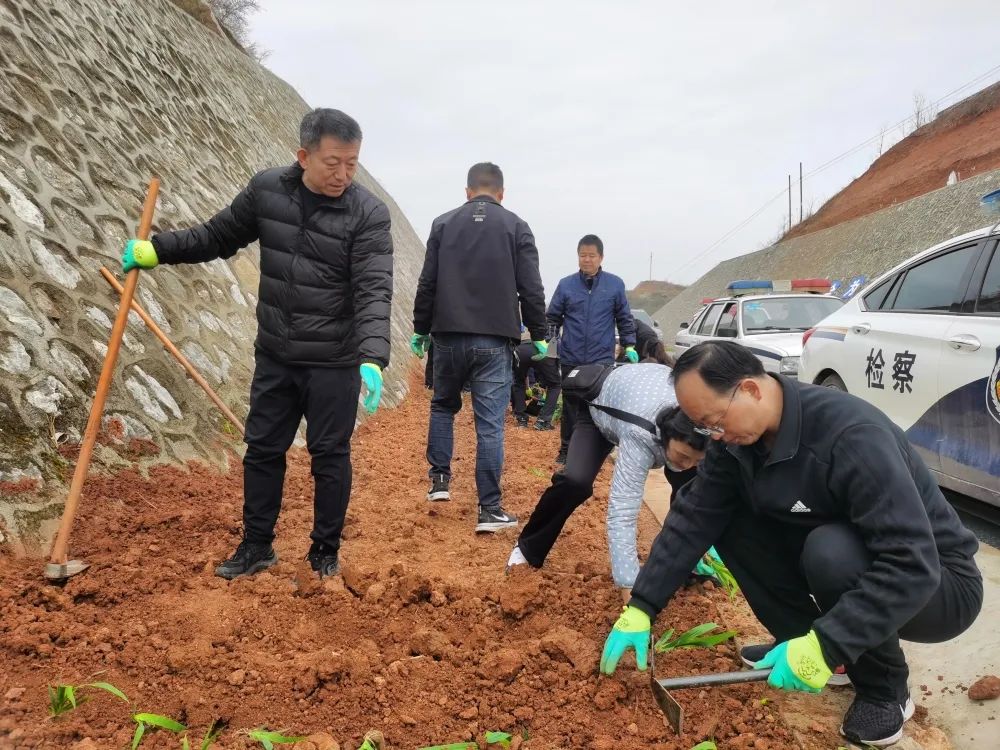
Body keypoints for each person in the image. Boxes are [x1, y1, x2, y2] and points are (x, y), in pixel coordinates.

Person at [599, 340, 983, 748]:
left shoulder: (851, 435)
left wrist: (828, 644)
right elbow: (695, 515)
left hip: (938, 583)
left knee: (830, 551)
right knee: (730, 520)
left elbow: (911, 562)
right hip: (858, 557)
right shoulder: (736, 441)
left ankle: (884, 690)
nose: (716, 436)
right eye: (706, 428)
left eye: (715, 421)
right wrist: (642, 605)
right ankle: (805, 643)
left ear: (750, 390)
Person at [120, 108, 392, 580]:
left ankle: (324, 552)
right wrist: (158, 250)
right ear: (304, 156)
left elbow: (374, 287)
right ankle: (257, 546)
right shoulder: (268, 191)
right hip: (276, 354)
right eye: (333, 163)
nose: (343, 174)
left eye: (352, 164)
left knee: (330, 456)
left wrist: (371, 355)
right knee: (263, 449)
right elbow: (217, 236)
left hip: (333, 361)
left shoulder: (367, 213)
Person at [411, 162, 547, 532]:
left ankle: (440, 482)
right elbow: (531, 287)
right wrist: (539, 332)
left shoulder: (443, 224)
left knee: (443, 406)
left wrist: (421, 329)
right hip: (494, 339)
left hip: (447, 336)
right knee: (489, 426)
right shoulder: (516, 227)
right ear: (501, 193)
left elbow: (427, 283)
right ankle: (489, 509)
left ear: (468, 191)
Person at [507, 363, 708, 596]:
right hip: (601, 413)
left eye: (697, 460)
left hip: (641, 397)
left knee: (690, 494)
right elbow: (623, 511)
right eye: (683, 456)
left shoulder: (708, 426)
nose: (688, 464)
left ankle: (683, 565)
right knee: (575, 481)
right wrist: (629, 588)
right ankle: (527, 548)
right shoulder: (640, 435)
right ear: (665, 438)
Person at [547, 235, 636, 465]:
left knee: (599, 405)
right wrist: (551, 346)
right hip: (571, 357)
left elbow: (624, 317)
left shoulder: (614, 285)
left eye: (591, 255)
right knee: (570, 405)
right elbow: (553, 318)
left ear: (601, 257)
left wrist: (629, 344)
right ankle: (566, 449)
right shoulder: (566, 285)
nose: (587, 260)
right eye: (582, 255)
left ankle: (599, 450)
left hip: (601, 359)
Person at [511, 340, 561, 430]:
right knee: (555, 385)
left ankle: (521, 419)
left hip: (521, 349)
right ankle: (543, 421)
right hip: (543, 348)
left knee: (518, 382)